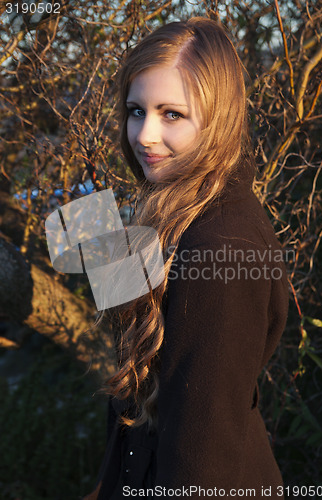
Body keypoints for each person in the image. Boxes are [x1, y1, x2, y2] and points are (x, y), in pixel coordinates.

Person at [84, 17, 289, 500]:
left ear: (217, 119)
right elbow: (130, 357)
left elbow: (204, 443)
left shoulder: (222, 248)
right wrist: (97, 229)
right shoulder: (168, 204)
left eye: (171, 114)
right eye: (136, 111)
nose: (145, 136)